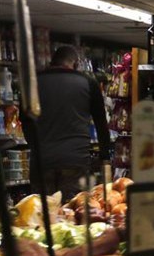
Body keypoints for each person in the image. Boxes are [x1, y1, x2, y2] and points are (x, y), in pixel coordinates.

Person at [27, 46, 110, 200]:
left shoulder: (33, 83)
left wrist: (35, 145)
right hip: (75, 159)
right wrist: (105, 157)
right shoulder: (88, 83)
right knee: (72, 211)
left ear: (52, 62)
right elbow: (101, 123)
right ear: (76, 64)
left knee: (41, 212)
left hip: (42, 160)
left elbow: (25, 119)